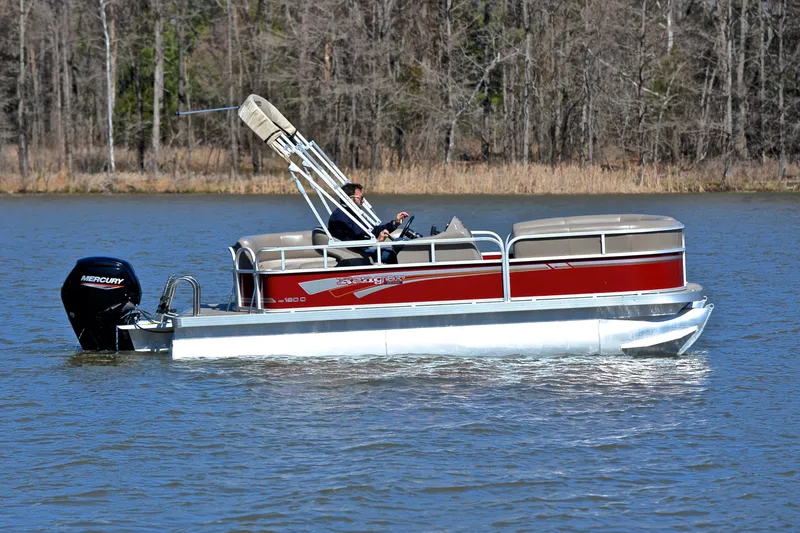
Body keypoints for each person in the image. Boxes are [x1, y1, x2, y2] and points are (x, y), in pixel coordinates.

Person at [328, 183, 409, 263]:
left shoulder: (353, 214)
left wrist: (395, 223)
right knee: (398, 254)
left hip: (363, 250)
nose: (363, 201)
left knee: (400, 250)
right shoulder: (340, 217)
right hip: (357, 254)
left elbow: (373, 231)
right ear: (350, 199)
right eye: (360, 198)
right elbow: (350, 243)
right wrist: (377, 241)